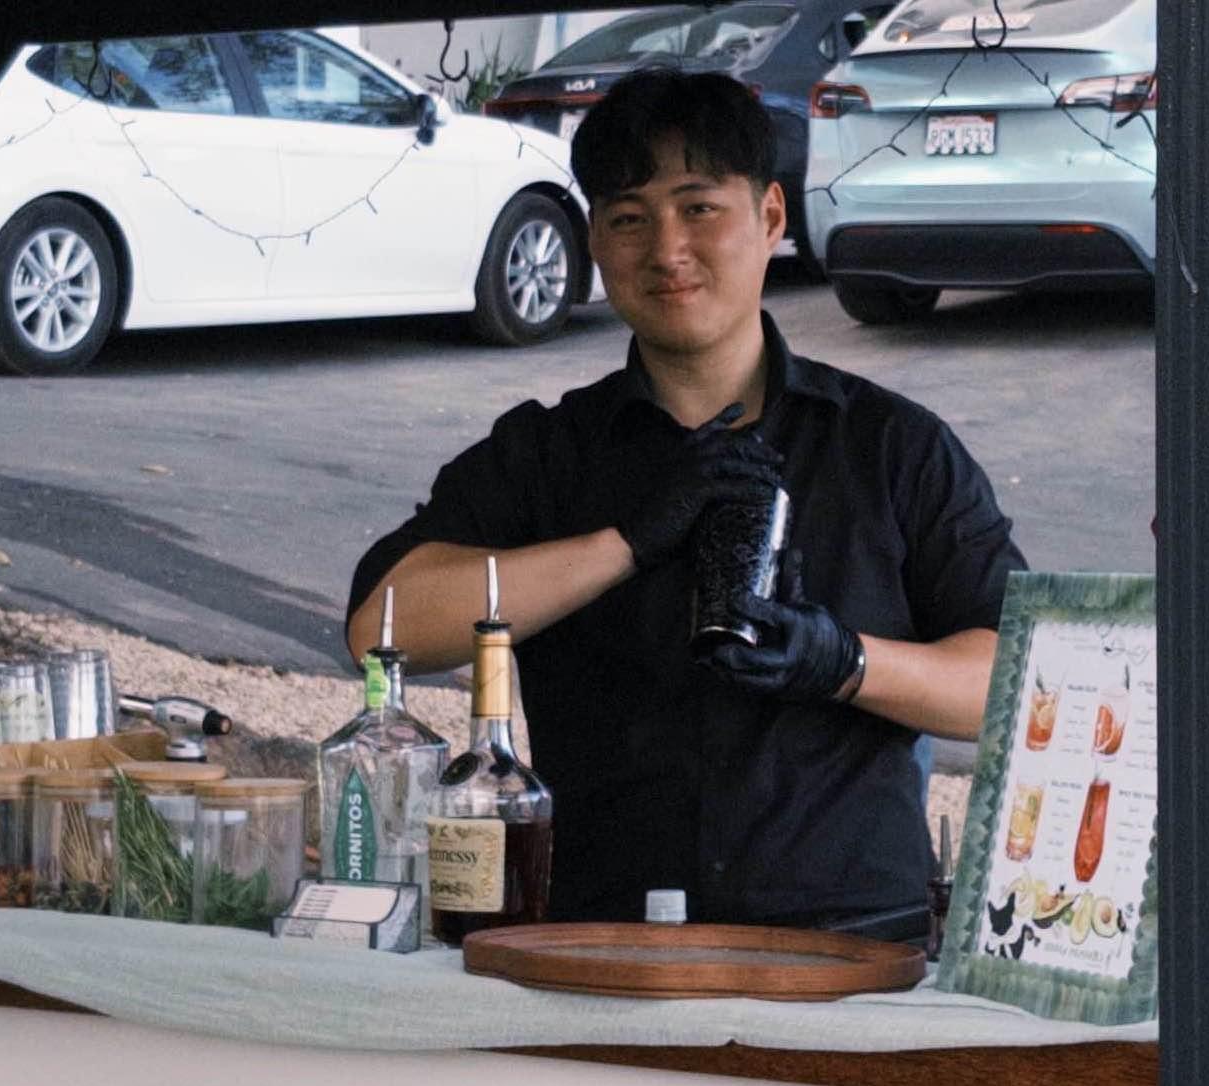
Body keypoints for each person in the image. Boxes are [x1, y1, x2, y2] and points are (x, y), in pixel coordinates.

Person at [345, 68, 1025, 937]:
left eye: (699, 207)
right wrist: (622, 543)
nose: (667, 249)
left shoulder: (890, 447)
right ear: (595, 241)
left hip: (853, 953)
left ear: (770, 216)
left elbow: (1018, 686)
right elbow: (383, 629)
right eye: (629, 218)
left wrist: (844, 663)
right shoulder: (548, 454)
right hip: (599, 948)